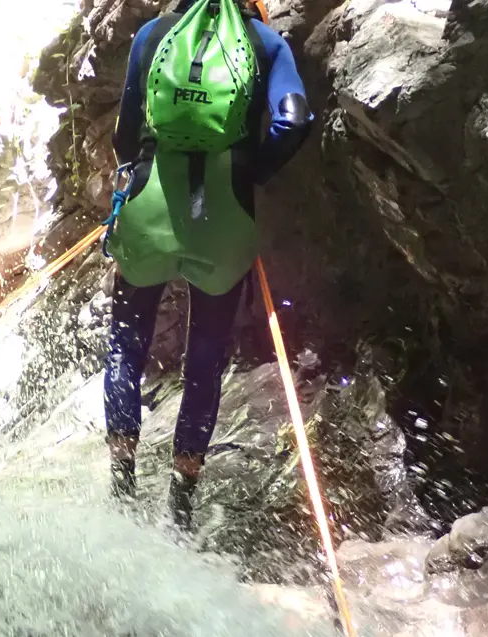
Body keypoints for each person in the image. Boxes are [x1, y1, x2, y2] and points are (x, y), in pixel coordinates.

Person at [103, 0, 312, 531]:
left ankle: (122, 487)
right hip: (224, 220)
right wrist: (252, 172)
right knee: (206, 360)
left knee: (127, 344)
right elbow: (293, 118)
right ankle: (181, 504)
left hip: (150, 209)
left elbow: (126, 135)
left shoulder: (153, 34)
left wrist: (144, 164)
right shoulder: (264, 43)